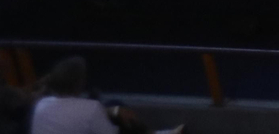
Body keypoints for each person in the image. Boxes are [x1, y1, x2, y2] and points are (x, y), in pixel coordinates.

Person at [31, 56, 185, 134]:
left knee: (114, 107)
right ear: (79, 82)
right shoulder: (91, 108)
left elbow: (72, 114)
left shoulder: (41, 104)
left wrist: (113, 110)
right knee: (122, 122)